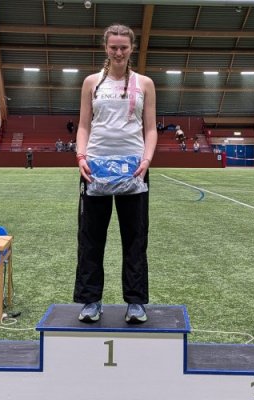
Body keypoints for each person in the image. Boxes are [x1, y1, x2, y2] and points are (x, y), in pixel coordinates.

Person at [74, 24, 156, 324]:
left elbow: (150, 128)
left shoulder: (145, 83)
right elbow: (84, 125)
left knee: (135, 237)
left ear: (131, 48)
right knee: (90, 238)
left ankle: (135, 303)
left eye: (123, 47)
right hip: (94, 167)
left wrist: (146, 160)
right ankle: (90, 301)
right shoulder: (91, 82)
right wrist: (81, 156)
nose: (119, 52)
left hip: (134, 168)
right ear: (105, 47)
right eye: (113, 47)